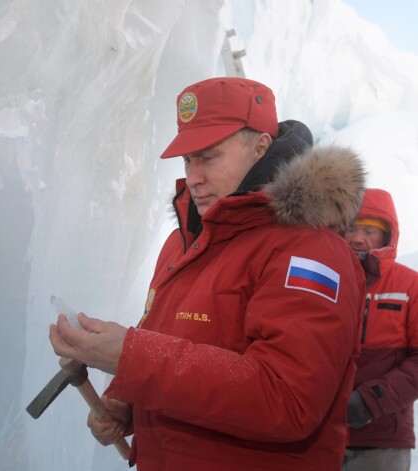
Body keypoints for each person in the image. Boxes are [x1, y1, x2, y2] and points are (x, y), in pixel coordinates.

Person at [49, 77, 366, 470]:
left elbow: (287, 398)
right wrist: (127, 403)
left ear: (260, 147)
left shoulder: (308, 250)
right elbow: (179, 346)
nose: (193, 176)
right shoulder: (184, 243)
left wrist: (132, 358)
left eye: (208, 157)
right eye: (187, 160)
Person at [342, 188, 418, 471]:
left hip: (382, 440)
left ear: (388, 235)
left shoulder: (411, 285)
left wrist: (371, 400)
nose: (358, 238)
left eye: (370, 230)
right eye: (351, 227)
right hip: (318, 435)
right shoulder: (325, 281)